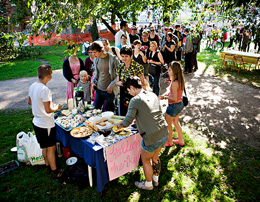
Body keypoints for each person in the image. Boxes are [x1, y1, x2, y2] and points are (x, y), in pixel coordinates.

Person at [117, 76, 168, 190]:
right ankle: (156, 180)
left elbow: (126, 122)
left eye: (128, 90)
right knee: (155, 157)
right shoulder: (152, 94)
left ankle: (148, 184)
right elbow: (153, 112)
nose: (129, 93)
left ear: (131, 87)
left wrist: (117, 126)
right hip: (164, 132)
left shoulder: (135, 100)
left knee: (145, 160)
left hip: (151, 137)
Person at [28, 65, 63, 179]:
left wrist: (40, 107)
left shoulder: (33, 86)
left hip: (36, 122)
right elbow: (48, 110)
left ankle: (48, 166)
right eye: (51, 73)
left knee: (44, 147)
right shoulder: (45, 90)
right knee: (51, 148)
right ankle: (55, 171)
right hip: (45, 123)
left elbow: (30, 102)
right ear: (48, 76)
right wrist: (57, 107)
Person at [159, 62, 185, 147]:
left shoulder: (174, 83)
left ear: (175, 71)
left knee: (167, 124)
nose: (168, 71)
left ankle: (169, 142)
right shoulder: (179, 81)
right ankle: (180, 140)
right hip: (179, 104)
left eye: (170, 70)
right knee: (175, 122)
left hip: (174, 106)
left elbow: (174, 98)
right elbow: (175, 94)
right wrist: (167, 95)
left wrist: (164, 98)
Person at [89, 41, 120, 112]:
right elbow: (97, 74)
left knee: (110, 113)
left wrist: (111, 86)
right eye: (92, 52)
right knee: (96, 111)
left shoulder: (113, 59)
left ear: (101, 50)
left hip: (109, 91)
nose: (93, 54)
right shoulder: (96, 59)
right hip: (99, 89)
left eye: (95, 52)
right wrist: (93, 82)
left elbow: (118, 74)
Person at [116, 45, 146, 116]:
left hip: (134, 96)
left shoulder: (138, 66)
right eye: (122, 56)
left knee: (134, 117)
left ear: (131, 55)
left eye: (126, 56)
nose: (124, 58)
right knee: (123, 117)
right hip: (123, 95)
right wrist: (118, 83)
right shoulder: (120, 67)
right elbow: (117, 80)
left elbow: (143, 83)